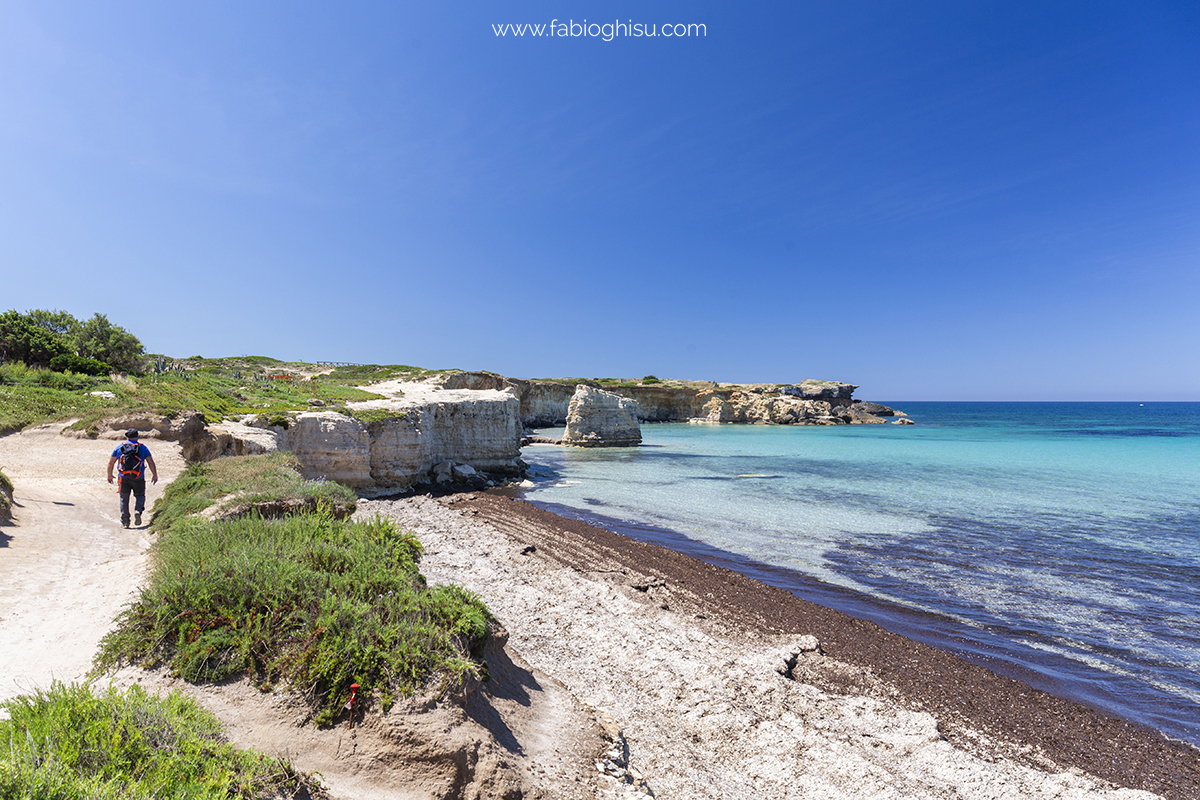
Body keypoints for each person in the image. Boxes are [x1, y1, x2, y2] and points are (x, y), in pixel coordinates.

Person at [106, 428, 158, 528]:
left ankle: (125, 521)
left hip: (123, 477)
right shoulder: (142, 448)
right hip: (138, 477)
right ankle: (138, 510)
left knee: (124, 499)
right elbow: (150, 462)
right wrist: (154, 474)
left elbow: (111, 462)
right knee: (140, 495)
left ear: (127, 437)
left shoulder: (120, 447)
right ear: (137, 437)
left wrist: (110, 475)